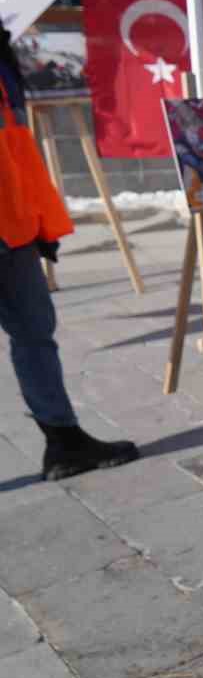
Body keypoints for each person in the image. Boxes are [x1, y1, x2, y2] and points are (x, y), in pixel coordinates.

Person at [0, 23, 140, 480]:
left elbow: (15, 146)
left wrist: (37, 218)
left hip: (12, 225)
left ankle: (62, 441)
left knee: (35, 331)